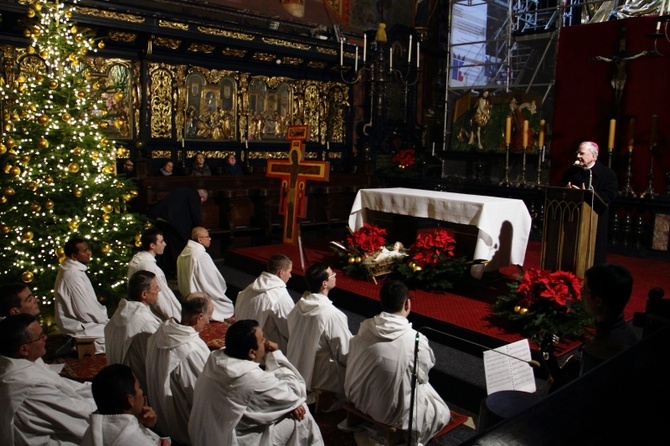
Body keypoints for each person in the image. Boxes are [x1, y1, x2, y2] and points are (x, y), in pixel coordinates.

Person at [344, 280, 450, 444]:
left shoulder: (366, 327)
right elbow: (423, 374)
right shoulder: (415, 339)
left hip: (358, 397)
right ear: (407, 304)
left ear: (382, 302)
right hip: (386, 412)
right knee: (440, 411)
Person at [188, 320, 324, 446]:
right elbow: (297, 392)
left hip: (204, 434)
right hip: (229, 440)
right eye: (262, 339)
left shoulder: (215, 359)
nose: (265, 341)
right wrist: (275, 355)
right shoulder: (252, 378)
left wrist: (289, 404)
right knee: (303, 415)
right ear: (252, 353)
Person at [0, 314, 97, 445]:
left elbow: (67, 386)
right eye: (40, 337)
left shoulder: (25, 361)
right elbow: (79, 415)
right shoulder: (27, 385)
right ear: (24, 349)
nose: (46, 338)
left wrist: (100, 390)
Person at [145, 293, 213, 445]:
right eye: (209, 317)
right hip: (183, 426)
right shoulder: (190, 350)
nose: (209, 322)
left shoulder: (161, 333)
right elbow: (200, 393)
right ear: (199, 317)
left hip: (162, 418)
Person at [286, 263, 352, 407]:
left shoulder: (298, 306)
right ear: (324, 284)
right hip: (319, 379)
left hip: (294, 367)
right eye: (333, 275)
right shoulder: (332, 315)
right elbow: (345, 353)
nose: (335, 276)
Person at [559, 141, 618, 265]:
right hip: (573, 218)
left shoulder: (607, 174)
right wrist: (567, 190)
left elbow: (610, 196)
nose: (578, 156)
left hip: (595, 220)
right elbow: (561, 187)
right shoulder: (571, 172)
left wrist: (588, 194)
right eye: (577, 153)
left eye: (582, 153)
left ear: (593, 156)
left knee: (593, 256)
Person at [104, 270, 162, 393]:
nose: (159, 289)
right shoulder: (144, 321)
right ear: (144, 294)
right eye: (156, 287)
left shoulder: (119, 313)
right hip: (138, 386)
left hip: (118, 378)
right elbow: (155, 358)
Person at [82, 364, 168, 446]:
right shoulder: (139, 441)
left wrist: (146, 425)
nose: (142, 393)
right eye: (139, 387)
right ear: (130, 400)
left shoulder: (92, 430)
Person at [579, 263, 640, 375]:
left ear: (598, 301)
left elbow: (582, 390)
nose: (581, 294)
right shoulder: (631, 335)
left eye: (585, 290)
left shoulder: (596, 351)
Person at [53, 237, 109, 354]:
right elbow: (84, 311)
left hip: (84, 322)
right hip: (77, 326)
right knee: (117, 334)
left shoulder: (74, 270)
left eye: (88, 249)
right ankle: (74, 344)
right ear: (74, 256)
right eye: (84, 251)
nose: (89, 253)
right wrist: (104, 320)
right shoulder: (72, 275)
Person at [235, 253, 295, 352]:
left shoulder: (250, 287)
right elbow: (289, 329)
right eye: (289, 271)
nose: (290, 275)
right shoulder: (279, 295)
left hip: (243, 339)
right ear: (281, 272)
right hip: (265, 349)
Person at [147, 186, 208, 276]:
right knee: (177, 249)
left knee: (165, 247)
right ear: (202, 197)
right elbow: (195, 213)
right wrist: (200, 230)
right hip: (175, 225)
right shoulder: (194, 195)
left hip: (161, 220)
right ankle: (179, 273)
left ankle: (165, 271)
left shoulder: (182, 190)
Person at [177, 227, 234, 321]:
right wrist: (220, 287)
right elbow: (211, 279)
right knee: (228, 307)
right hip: (200, 297)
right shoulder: (201, 255)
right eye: (207, 236)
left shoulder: (183, 253)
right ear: (200, 240)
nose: (210, 239)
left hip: (187, 296)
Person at [128, 227, 182, 321]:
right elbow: (160, 298)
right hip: (151, 316)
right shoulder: (149, 267)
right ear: (152, 245)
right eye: (161, 242)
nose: (165, 244)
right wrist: (174, 318)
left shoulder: (139, 258)